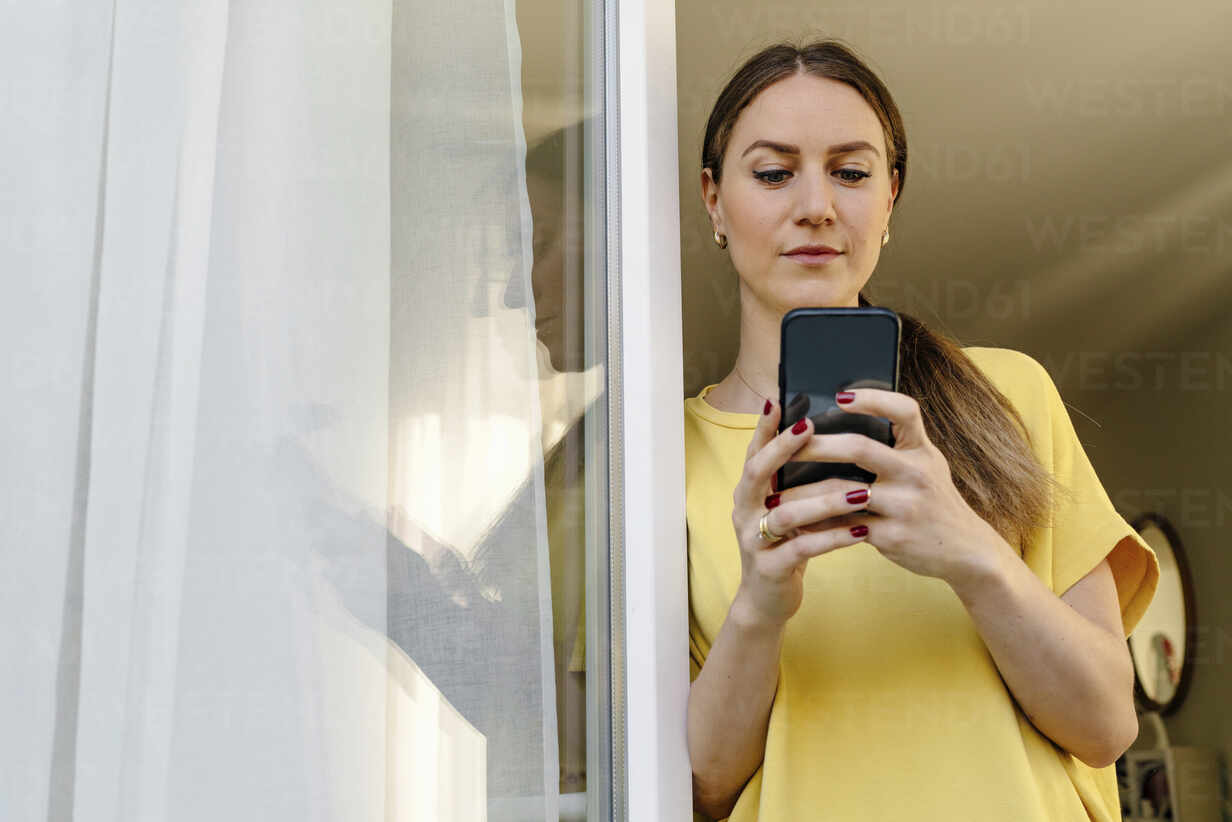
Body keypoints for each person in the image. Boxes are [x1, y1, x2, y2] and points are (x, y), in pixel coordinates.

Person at [685, 40, 1160, 821]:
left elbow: (1106, 725)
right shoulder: (657, 459)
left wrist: (970, 552)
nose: (816, 206)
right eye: (773, 173)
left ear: (891, 198)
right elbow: (704, 790)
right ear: (714, 199)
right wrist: (760, 605)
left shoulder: (1008, 392)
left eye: (851, 172)